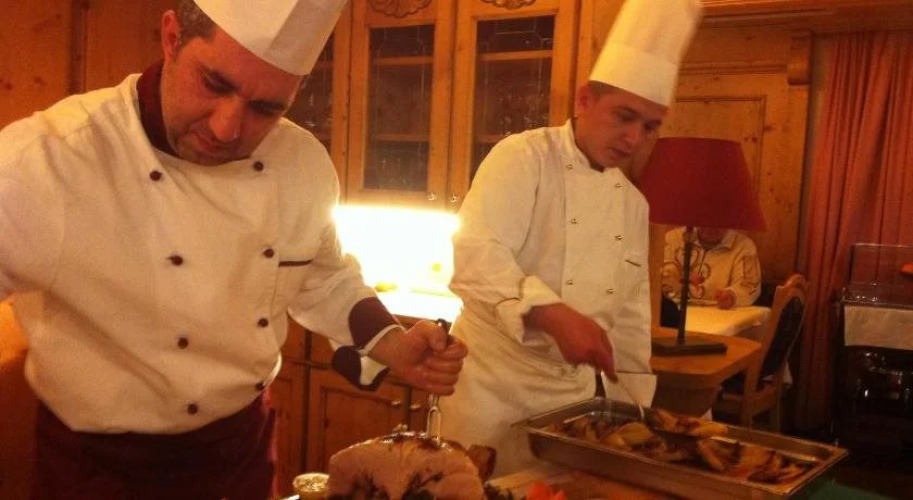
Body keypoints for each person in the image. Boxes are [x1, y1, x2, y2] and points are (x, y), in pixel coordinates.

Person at [0, 0, 467, 498]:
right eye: (214, 83)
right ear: (172, 37)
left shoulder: (301, 164)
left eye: (266, 108)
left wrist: (393, 345)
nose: (227, 128)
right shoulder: (48, 161)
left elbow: (324, 277)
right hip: (100, 470)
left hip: (240, 453)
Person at [439, 0, 704, 476]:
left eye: (649, 127)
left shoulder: (633, 205)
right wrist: (551, 313)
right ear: (584, 101)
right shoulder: (523, 158)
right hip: (490, 391)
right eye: (624, 116)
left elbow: (629, 318)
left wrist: (634, 415)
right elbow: (476, 256)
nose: (633, 138)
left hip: (570, 406)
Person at [661, 226, 762, 310]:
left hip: (717, 316)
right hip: (672, 311)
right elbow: (656, 270)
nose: (711, 227)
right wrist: (678, 275)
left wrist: (732, 295)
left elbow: (749, 286)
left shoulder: (744, 247)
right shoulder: (673, 238)